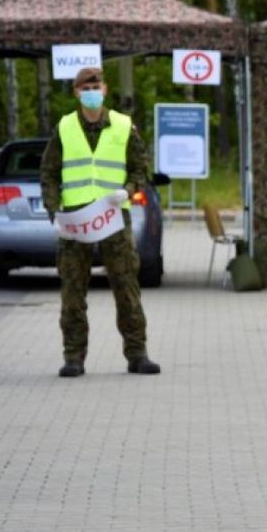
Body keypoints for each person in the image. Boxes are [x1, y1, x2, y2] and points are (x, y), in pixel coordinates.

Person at [39, 67, 161, 378]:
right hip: (75, 220)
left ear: (105, 90)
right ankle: (73, 357)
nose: (91, 92)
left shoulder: (123, 125)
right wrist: (54, 209)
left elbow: (141, 168)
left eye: (96, 87)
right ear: (76, 93)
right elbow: (49, 173)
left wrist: (129, 190)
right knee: (73, 292)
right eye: (85, 88)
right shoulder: (65, 128)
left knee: (126, 287)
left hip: (112, 216)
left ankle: (137, 354)